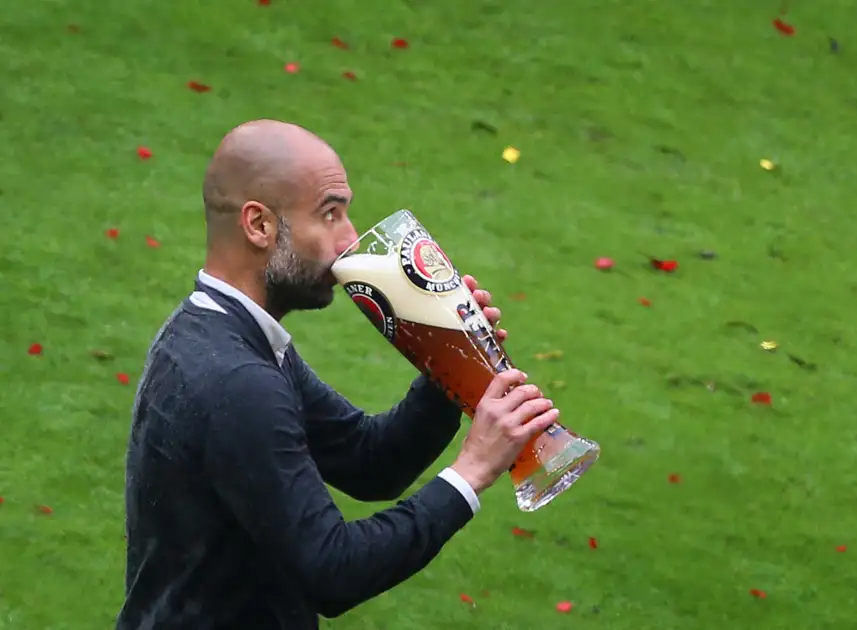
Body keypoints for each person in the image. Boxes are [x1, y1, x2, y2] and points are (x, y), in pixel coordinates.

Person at [115, 119, 560, 629]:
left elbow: (369, 461)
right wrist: (473, 471)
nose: (349, 240)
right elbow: (332, 569)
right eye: (330, 214)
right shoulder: (236, 380)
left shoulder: (223, 335)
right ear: (259, 225)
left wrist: (444, 367)